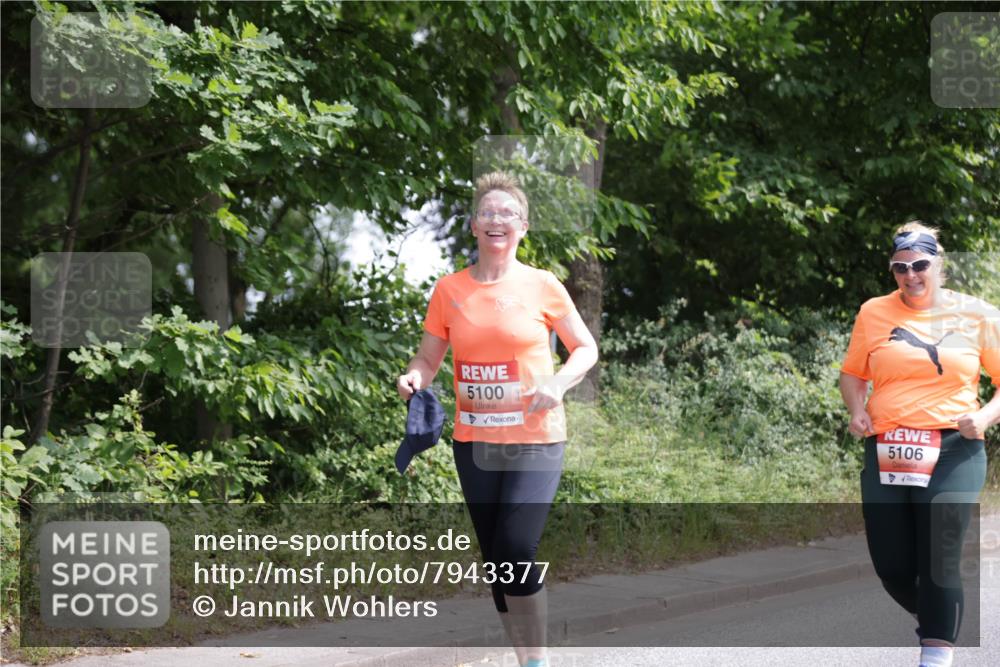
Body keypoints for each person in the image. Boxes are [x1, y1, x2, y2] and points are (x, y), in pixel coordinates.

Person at [396, 171, 598, 667]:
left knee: (515, 546)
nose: (496, 220)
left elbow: (585, 349)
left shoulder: (542, 285)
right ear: (473, 226)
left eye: (507, 213)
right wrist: (413, 378)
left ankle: (538, 660)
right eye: (487, 212)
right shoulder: (449, 290)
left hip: (535, 439)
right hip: (474, 443)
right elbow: (427, 359)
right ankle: (522, 656)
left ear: (523, 227)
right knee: (497, 562)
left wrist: (557, 384)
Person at [839, 221, 1000, 667]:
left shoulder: (977, 314)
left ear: (938, 264)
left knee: (941, 557)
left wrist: (984, 415)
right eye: (900, 268)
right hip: (887, 447)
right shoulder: (874, 312)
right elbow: (853, 373)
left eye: (920, 265)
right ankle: (938, 615)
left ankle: (935, 648)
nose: (910, 275)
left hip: (954, 449)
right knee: (891, 566)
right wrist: (857, 408)